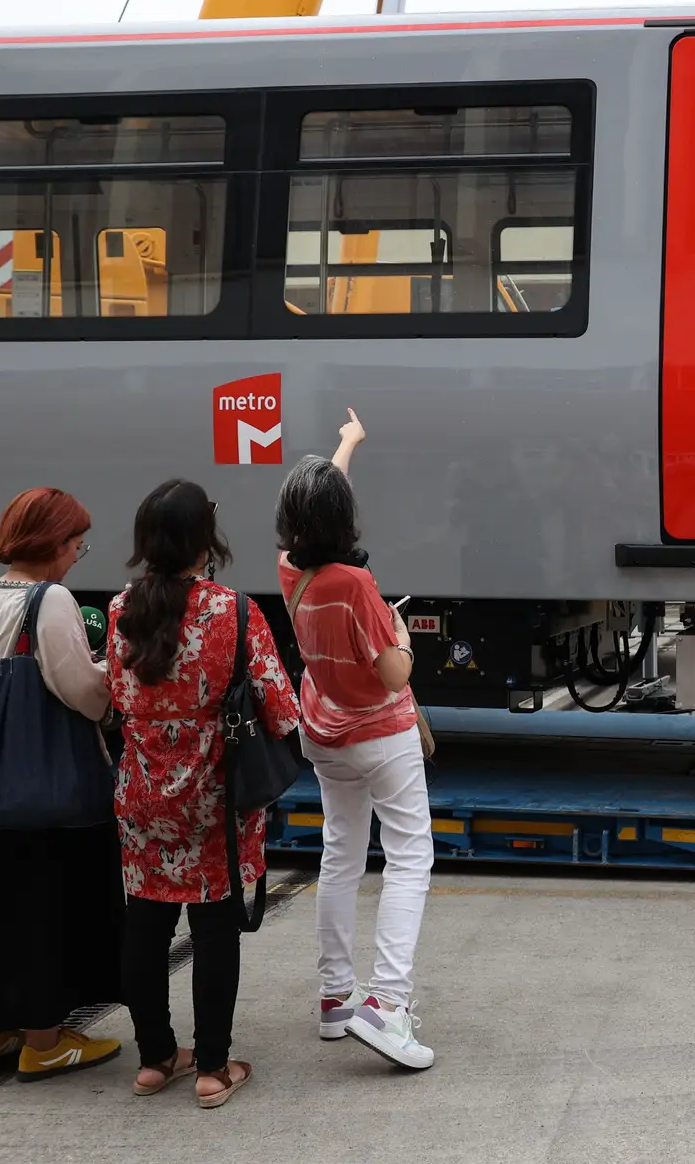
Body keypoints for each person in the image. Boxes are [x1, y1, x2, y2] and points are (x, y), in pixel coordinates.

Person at [107, 481, 301, 1108]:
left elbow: (117, 697)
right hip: (214, 796)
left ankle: (154, 1058)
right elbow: (280, 709)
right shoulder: (235, 612)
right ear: (203, 539)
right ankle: (214, 1068)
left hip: (141, 793)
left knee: (146, 922)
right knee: (215, 929)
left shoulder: (119, 611)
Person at [0, 487, 126, 1081]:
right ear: (50, 544)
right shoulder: (51, 602)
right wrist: (108, 678)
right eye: (75, 543)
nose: (77, 554)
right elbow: (84, 694)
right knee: (44, 909)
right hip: (42, 793)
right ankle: (45, 1041)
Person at [276, 409, 434, 1070]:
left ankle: (337, 998)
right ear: (348, 524)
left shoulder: (292, 569)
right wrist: (400, 638)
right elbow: (392, 670)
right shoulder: (358, 585)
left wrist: (346, 444)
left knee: (341, 853)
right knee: (410, 856)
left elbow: (320, 510)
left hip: (324, 731)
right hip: (379, 735)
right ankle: (387, 1007)